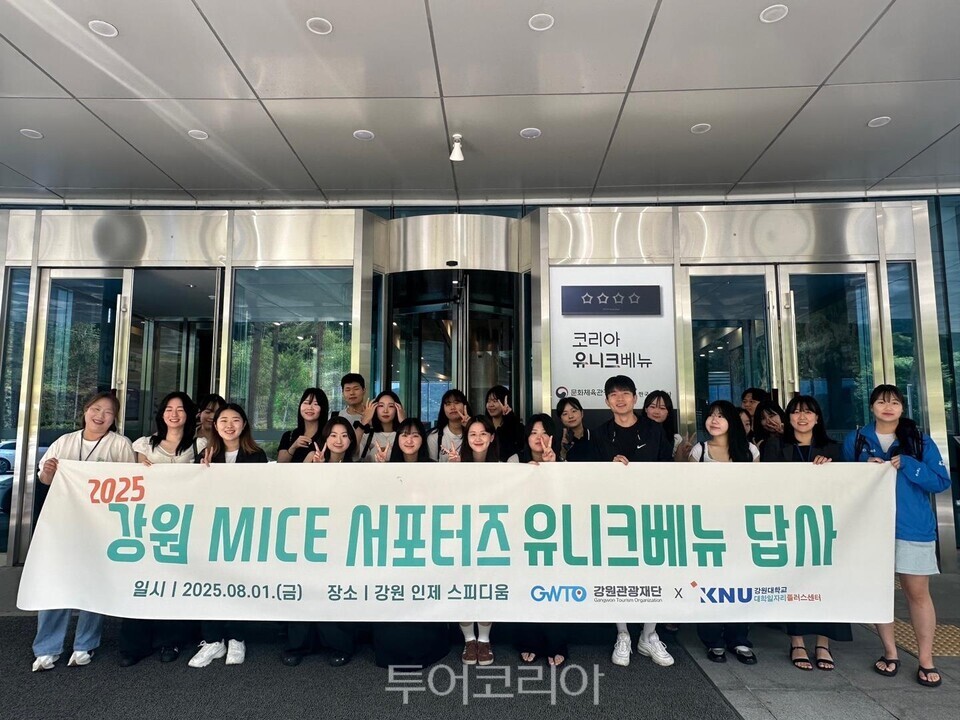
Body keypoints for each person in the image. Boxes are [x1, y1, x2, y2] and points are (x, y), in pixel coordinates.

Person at [843, 384, 949, 688]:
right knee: (879, 591)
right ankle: (890, 651)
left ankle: (926, 658)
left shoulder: (919, 440)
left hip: (912, 527)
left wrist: (910, 465)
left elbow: (940, 481)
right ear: (871, 407)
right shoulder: (857, 439)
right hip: (870, 527)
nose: (887, 407)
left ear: (903, 407)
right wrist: (863, 468)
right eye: (881, 402)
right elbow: (843, 480)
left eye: (894, 403)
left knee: (917, 593)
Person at [32, 391, 136, 672]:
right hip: (63, 524)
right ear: (85, 411)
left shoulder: (119, 444)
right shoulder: (64, 442)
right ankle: (47, 647)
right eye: (96, 409)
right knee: (56, 582)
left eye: (108, 412)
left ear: (114, 419)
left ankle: (85, 644)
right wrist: (49, 472)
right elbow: (45, 479)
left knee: (94, 581)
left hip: (102, 525)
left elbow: (132, 482)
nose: (100, 416)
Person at [590, 375, 675, 669]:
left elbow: (668, 469)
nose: (620, 399)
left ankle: (649, 635)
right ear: (606, 401)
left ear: (635, 398)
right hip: (615, 514)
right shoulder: (600, 434)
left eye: (625, 393)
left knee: (655, 571)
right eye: (613, 394)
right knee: (618, 573)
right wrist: (608, 469)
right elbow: (590, 475)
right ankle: (623, 633)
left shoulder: (654, 430)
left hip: (651, 511)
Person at [762, 395, 851, 671]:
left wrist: (830, 470)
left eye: (808, 412)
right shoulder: (775, 446)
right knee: (793, 581)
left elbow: (847, 485)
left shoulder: (833, 449)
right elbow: (766, 481)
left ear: (817, 417)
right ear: (788, 418)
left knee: (826, 580)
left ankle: (823, 643)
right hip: (788, 523)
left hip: (824, 525)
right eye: (796, 412)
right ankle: (797, 641)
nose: (802, 417)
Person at [121, 391, 204, 666]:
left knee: (177, 580)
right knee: (143, 580)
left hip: (186, 523)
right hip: (147, 523)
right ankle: (135, 644)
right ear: (161, 413)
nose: (174, 414)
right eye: (169, 408)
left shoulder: (200, 445)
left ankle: (172, 640)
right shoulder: (144, 445)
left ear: (189, 414)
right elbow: (131, 481)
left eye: (180, 409)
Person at [189, 403, 267, 668]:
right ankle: (212, 640)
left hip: (242, 527)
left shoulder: (256, 455)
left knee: (237, 582)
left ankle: (236, 637)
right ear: (215, 424)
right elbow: (193, 491)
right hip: (211, 528)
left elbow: (262, 491)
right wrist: (202, 471)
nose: (229, 425)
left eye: (235, 420)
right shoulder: (205, 454)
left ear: (244, 425)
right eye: (223, 420)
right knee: (209, 582)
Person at [371, 417, 450, 668]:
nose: (409, 440)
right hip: (393, 542)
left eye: (415, 435)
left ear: (422, 440)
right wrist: (380, 471)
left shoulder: (434, 468)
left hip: (425, 541)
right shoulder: (386, 466)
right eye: (404, 435)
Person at [285, 416, 359, 666]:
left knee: (335, 589)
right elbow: (294, 492)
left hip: (342, 538)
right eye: (333, 435)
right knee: (304, 587)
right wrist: (314, 471)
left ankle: (339, 644)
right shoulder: (312, 459)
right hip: (310, 535)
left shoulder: (358, 468)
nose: (339, 440)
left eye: (345, 436)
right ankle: (298, 644)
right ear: (325, 438)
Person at [690, 399, 759, 665]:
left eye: (721, 416)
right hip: (706, 529)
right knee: (708, 583)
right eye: (710, 415)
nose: (714, 420)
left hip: (739, 527)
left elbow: (758, 488)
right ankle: (712, 640)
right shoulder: (700, 450)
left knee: (739, 582)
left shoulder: (750, 450)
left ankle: (739, 638)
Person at [446, 416, 513, 665]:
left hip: (491, 537)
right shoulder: (453, 463)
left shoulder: (505, 467)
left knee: (487, 585)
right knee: (462, 585)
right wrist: (452, 472)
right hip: (460, 536)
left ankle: (484, 639)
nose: (477, 438)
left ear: (492, 437)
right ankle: (469, 639)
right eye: (472, 434)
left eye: (483, 433)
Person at [515, 415, 567, 667]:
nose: (539, 437)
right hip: (522, 535)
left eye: (544, 432)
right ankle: (529, 641)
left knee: (554, 588)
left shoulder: (563, 463)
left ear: (552, 437)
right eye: (534, 432)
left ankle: (556, 643)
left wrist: (552, 468)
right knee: (526, 586)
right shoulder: (514, 461)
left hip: (553, 536)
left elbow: (567, 497)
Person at [277, 388, 329, 463]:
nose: (310, 407)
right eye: (306, 403)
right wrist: (294, 447)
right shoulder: (288, 436)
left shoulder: (328, 437)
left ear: (323, 408)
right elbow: (280, 465)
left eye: (315, 404)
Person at [356, 390, 403, 461]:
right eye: (381, 406)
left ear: (397, 409)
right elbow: (352, 452)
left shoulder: (404, 436)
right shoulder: (367, 436)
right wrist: (364, 421)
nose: (385, 411)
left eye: (391, 406)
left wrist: (404, 422)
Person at [426, 389, 470, 462]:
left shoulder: (474, 434)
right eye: (448, 404)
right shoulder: (434, 437)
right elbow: (432, 467)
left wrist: (470, 427)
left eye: (456, 402)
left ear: (464, 406)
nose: (452, 407)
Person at [483, 385, 525, 462]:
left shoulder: (515, 427)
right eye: (488, 401)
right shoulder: (483, 425)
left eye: (495, 401)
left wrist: (509, 417)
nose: (491, 405)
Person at [555, 396, 592, 462]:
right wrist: (563, 452)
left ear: (582, 413)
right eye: (565, 414)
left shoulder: (596, 436)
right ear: (561, 419)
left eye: (574, 411)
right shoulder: (558, 441)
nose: (570, 416)